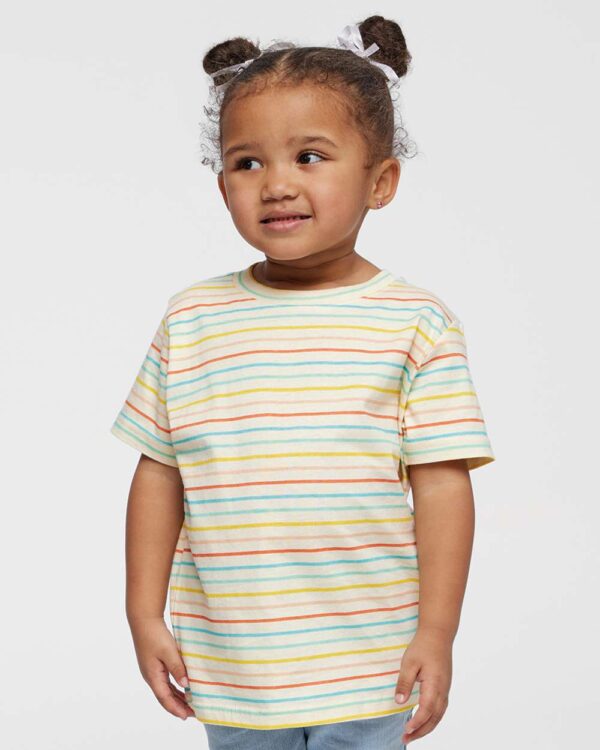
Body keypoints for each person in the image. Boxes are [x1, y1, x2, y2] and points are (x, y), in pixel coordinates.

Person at [110, 15, 495, 750]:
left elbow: (443, 485)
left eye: (309, 156)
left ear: (380, 182)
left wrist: (437, 632)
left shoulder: (415, 323)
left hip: (371, 660)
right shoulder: (192, 319)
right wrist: (143, 612)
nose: (277, 184)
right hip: (235, 664)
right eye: (247, 162)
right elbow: (160, 472)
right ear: (221, 183)